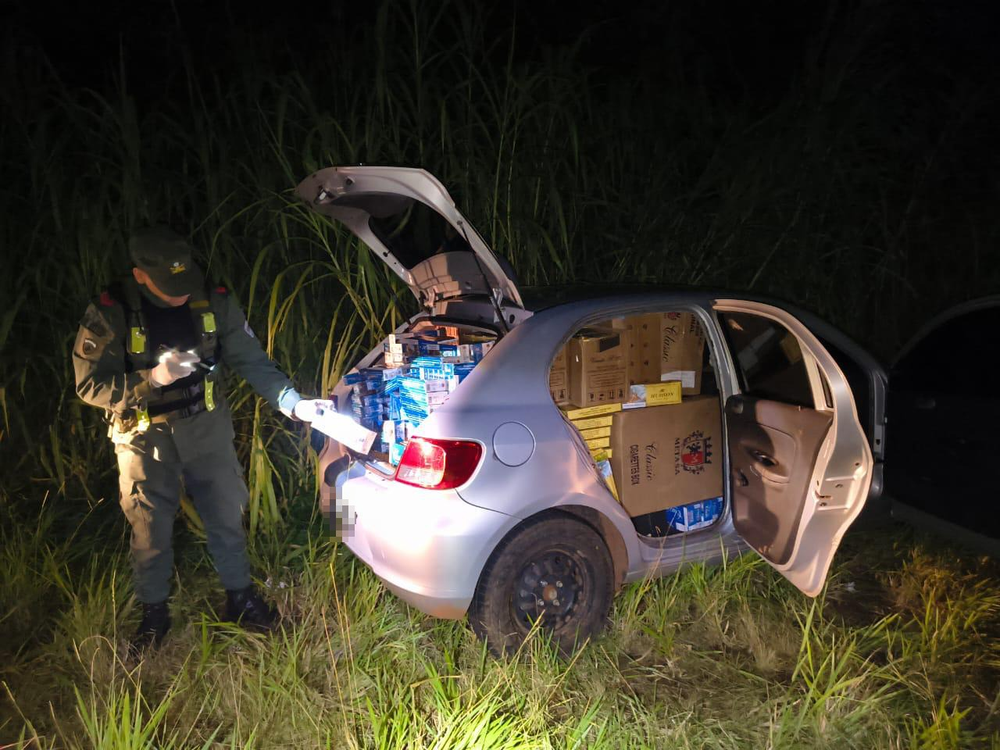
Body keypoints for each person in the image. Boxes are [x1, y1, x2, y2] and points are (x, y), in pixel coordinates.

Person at [72, 227, 324, 656]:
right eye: (170, 288)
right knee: (149, 528)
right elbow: (89, 385)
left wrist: (293, 402)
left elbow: (250, 359)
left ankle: (241, 599)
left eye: (185, 282)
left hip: (206, 427)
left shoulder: (212, 299)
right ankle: (154, 614)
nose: (181, 295)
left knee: (227, 513)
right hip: (143, 436)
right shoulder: (110, 313)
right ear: (140, 276)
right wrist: (152, 378)